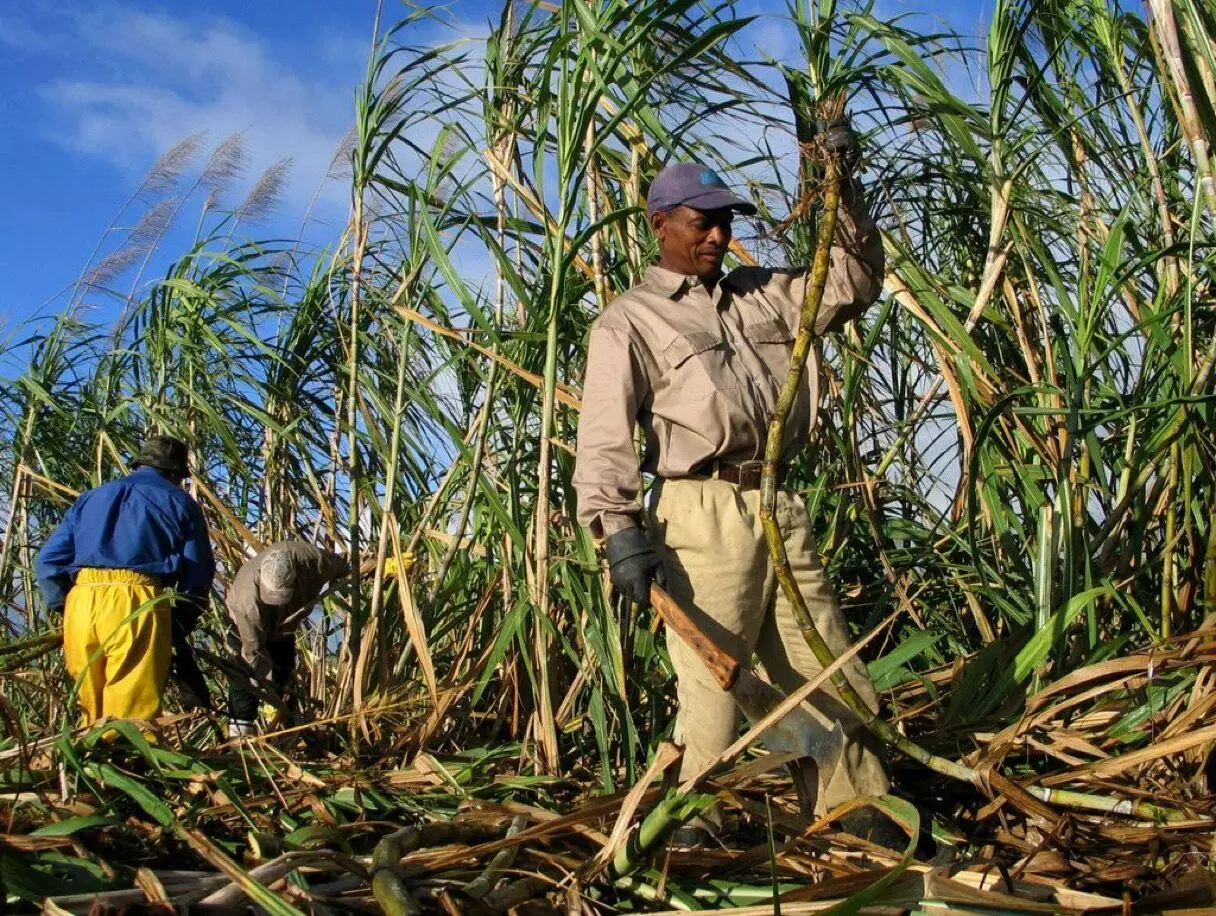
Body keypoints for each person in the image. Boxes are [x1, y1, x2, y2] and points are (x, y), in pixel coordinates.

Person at [572, 123, 893, 845]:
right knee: (711, 679)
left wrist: (842, 187)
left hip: (778, 499)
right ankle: (701, 816)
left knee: (827, 657)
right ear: (660, 226)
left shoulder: (763, 295)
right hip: (701, 511)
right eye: (701, 222)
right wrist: (618, 530)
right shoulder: (629, 321)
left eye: (724, 221)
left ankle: (859, 804)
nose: (717, 235)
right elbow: (600, 439)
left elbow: (854, 281)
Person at [36, 436, 215, 725]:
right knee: (130, 713)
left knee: (90, 708)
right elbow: (199, 570)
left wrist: (63, 605)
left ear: (140, 464)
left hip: (81, 601)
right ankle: (128, 763)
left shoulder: (92, 497)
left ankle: (91, 763)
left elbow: (47, 561)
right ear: (173, 473)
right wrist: (182, 618)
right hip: (136, 601)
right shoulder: (179, 501)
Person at [225, 540, 348, 736]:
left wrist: (381, 568)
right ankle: (240, 735)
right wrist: (263, 686)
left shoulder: (312, 560)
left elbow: (346, 566)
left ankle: (285, 727)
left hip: (284, 629)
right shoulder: (246, 602)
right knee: (244, 676)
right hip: (245, 631)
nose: (276, 603)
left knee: (284, 673)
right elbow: (253, 652)